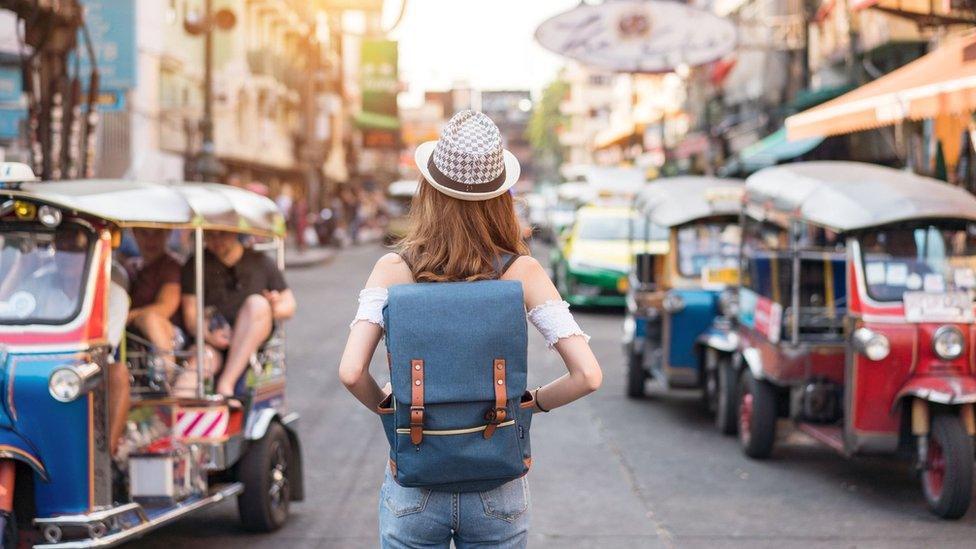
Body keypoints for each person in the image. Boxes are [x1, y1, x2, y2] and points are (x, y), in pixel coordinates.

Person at [338, 110, 602, 548]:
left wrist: (393, 412)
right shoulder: (523, 271)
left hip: (416, 483)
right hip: (497, 485)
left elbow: (350, 373)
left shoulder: (393, 269)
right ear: (501, 198)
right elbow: (588, 376)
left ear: (429, 192)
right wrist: (529, 406)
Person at [180, 231, 296, 399]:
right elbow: (191, 315)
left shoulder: (261, 262)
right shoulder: (195, 264)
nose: (216, 240)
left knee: (257, 304)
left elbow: (289, 304)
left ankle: (226, 385)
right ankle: (176, 415)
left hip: (252, 347)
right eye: (210, 236)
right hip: (212, 346)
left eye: (222, 235)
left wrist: (273, 306)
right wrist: (209, 334)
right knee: (192, 373)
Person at [125, 228, 182, 364]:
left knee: (150, 319)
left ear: (167, 234)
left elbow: (165, 308)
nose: (150, 240)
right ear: (134, 233)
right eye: (144, 233)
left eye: (157, 233)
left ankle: (169, 377)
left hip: (170, 335)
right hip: (135, 338)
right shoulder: (131, 267)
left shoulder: (171, 266)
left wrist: (127, 317)